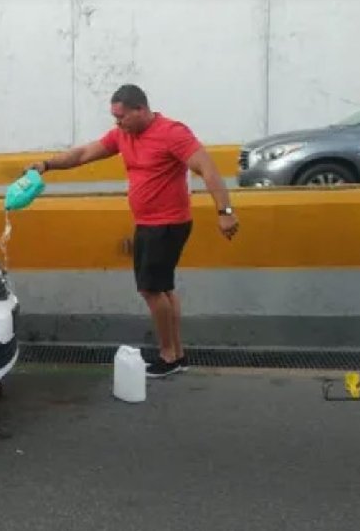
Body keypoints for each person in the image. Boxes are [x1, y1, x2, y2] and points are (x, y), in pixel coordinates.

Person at [30, 84, 239, 378]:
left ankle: (168, 356)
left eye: (122, 116)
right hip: (148, 223)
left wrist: (225, 212)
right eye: (115, 118)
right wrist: (45, 165)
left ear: (141, 110)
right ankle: (178, 354)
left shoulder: (172, 133)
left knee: (150, 290)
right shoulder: (123, 135)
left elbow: (207, 167)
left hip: (166, 224)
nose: (118, 123)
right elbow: (83, 154)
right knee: (163, 288)